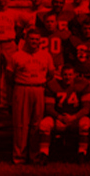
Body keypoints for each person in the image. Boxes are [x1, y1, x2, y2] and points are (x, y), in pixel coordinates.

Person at [7, 30, 55, 164]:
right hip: (22, 88)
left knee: (36, 124)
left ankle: (34, 156)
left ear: (40, 41)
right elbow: (9, 76)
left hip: (39, 89)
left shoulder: (46, 55)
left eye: (37, 39)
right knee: (21, 124)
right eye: (32, 39)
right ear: (26, 40)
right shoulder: (17, 55)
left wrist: (40, 82)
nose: (34, 42)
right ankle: (19, 157)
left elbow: (51, 74)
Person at [38, 65, 90, 164]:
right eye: (65, 75)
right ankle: (44, 154)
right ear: (61, 75)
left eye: (70, 75)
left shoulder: (83, 85)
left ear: (74, 75)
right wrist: (60, 117)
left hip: (75, 118)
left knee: (85, 123)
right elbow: (49, 108)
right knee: (44, 124)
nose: (68, 77)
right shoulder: (52, 85)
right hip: (59, 118)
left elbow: (86, 109)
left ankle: (82, 154)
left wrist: (73, 117)